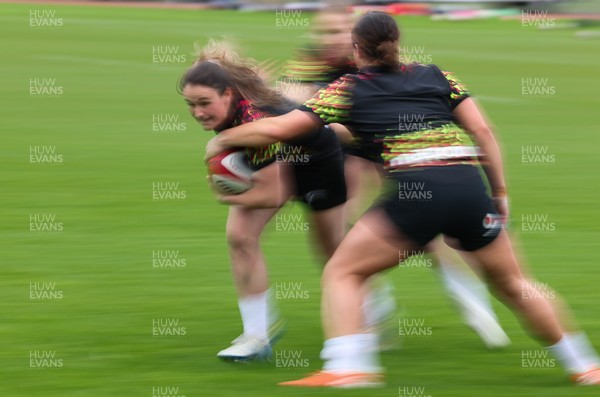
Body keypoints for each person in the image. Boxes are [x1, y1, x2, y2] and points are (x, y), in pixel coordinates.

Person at [205, 11, 600, 387]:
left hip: (418, 192)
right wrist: (499, 192)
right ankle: (584, 365)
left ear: (356, 50)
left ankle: (349, 366)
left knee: (343, 272)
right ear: (397, 43)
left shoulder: (349, 87)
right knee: (516, 283)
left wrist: (224, 139)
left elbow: (284, 129)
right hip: (468, 188)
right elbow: (484, 133)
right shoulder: (437, 76)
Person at [281, 6, 510, 349]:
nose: (330, 40)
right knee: (339, 231)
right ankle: (371, 312)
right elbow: (298, 109)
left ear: (355, 37)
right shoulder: (311, 62)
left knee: (425, 228)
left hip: (389, 140)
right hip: (347, 142)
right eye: (323, 33)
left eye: (338, 32)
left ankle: (471, 300)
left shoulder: (381, 63)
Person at [180, 40, 347, 362]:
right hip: (277, 157)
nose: (198, 113)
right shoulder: (231, 111)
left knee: (334, 254)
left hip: (318, 161)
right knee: (240, 237)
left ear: (228, 94)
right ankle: (257, 336)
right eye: (191, 105)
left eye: (204, 103)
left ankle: (368, 311)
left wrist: (219, 194)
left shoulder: (252, 119)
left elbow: (271, 194)